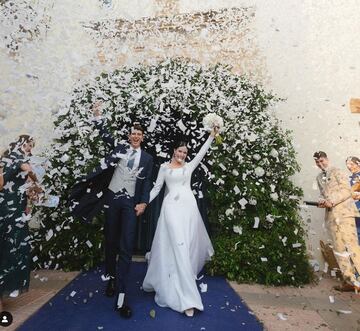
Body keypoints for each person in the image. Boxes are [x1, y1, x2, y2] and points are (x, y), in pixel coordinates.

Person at [69, 101, 153, 319]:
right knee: (111, 243)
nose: (135, 136)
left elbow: (146, 184)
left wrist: (143, 202)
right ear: (129, 136)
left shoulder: (147, 158)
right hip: (113, 200)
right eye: (132, 133)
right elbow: (105, 135)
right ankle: (111, 278)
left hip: (130, 203)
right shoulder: (120, 149)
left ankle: (122, 297)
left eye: (139, 134)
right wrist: (98, 117)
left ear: (142, 137)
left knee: (126, 247)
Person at [142, 128, 218, 317]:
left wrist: (211, 136)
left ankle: (182, 286)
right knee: (174, 244)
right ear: (174, 150)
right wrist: (144, 203)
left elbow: (202, 152)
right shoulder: (164, 168)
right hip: (171, 210)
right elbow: (157, 188)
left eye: (185, 152)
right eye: (180, 151)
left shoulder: (189, 167)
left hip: (188, 211)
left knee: (183, 247)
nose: (182, 155)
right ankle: (187, 298)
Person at [0, 135, 37, 312]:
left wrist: (31, 197)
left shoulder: (17, 162)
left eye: (31, 146)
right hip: (5, 214)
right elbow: (30, 171)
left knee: (14, 253)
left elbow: (30, 188)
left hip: (17, 216)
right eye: (28, 145)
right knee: (6, 253)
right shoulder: (13, 160)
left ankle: (4, 293)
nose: (30, 148)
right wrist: (35, 177)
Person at [313, 151, 360, 291]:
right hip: (331, 218)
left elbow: (347, 191)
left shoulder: (337, 171)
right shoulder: (319, 177)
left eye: (322, 161)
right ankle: (349, 281)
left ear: (327, 159)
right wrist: (321, 201)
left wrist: (331, 201)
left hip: (345, 215)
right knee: (339, 249)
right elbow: (323, 194)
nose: (320, 164)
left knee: (352, 247)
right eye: (317, 162)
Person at [345, 156, 360, 242]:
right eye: (347, 164)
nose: (349, 166)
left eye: (351, 164)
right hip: (354, 212)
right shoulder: (349, 179)